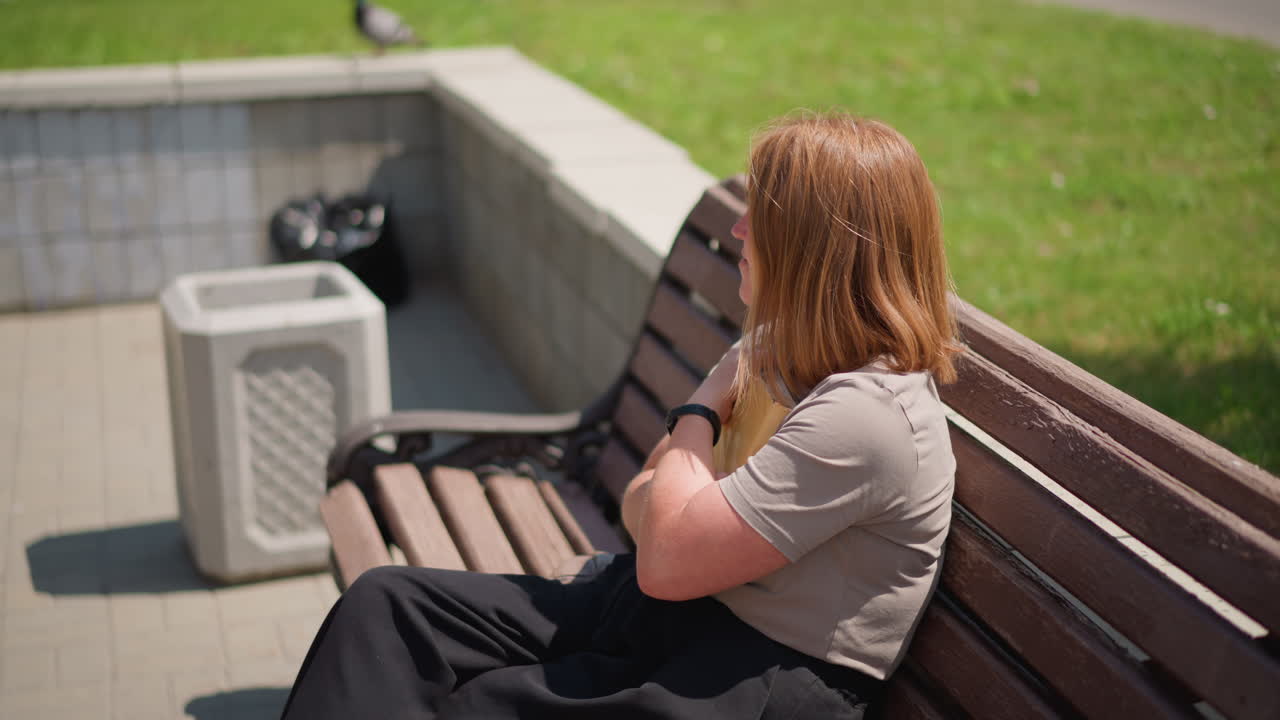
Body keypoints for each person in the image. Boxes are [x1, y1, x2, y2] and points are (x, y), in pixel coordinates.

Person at [280, 111, 960, 720]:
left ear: (817, 248)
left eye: (763, 215)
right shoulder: (783, 348)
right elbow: (646, 509)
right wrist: (678, 503)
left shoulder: (868, 416)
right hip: (669, 612)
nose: (739, 228)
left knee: (470, 703)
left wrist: (698, 411)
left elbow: (664, 550)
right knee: (388, 610)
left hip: (750, 675)